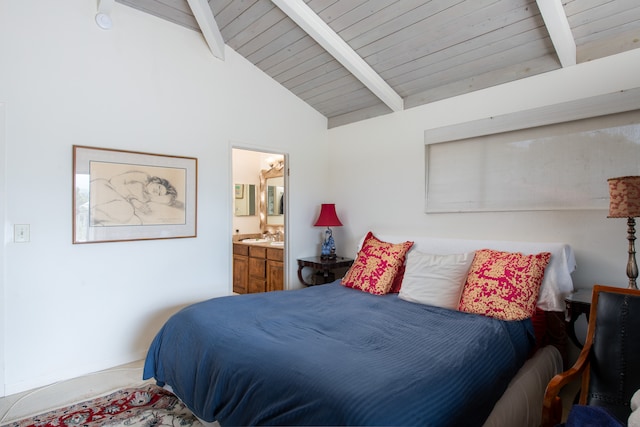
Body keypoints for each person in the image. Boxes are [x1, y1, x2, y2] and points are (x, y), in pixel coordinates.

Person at [89, 171, 179, 225]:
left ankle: (94, 217)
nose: (156, 191)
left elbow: (166, 200)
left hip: (118, 203)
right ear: (157, 181)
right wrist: (133, 200)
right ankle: (93, 215)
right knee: (127, 209)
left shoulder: (146, 199)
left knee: (135, 220)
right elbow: (115, 180)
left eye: (159, 194)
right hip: (106, 189)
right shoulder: (144, 177)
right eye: (159, 187)